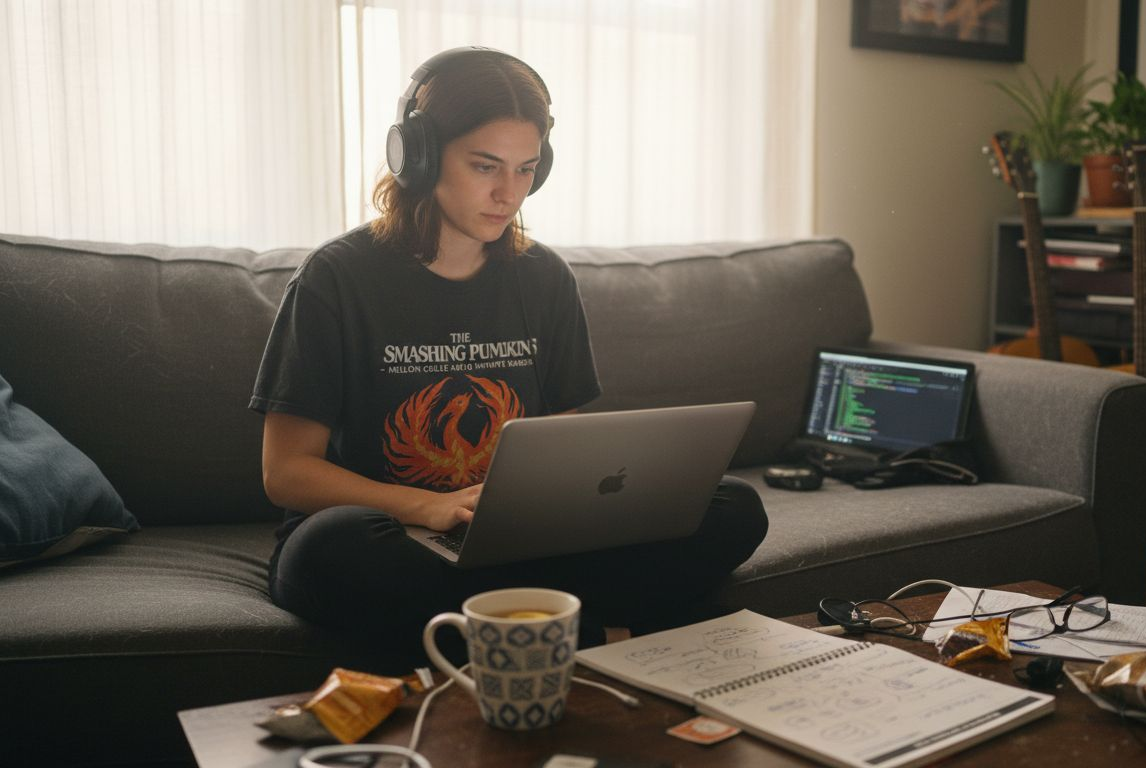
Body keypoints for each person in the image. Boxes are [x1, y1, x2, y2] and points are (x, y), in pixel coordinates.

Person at [250, 47, 767, 663]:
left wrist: (558, 511)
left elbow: (565, 444)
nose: (508, 193)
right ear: (418, 156)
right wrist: (428, 506)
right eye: (485, 166)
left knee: (731, 506)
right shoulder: (336, 278)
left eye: (526, 170)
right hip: (396, 534)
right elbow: (286, 471)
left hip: (518, 542)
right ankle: (598, 636)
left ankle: (517, 628)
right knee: (336, 548)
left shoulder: (543, 276)